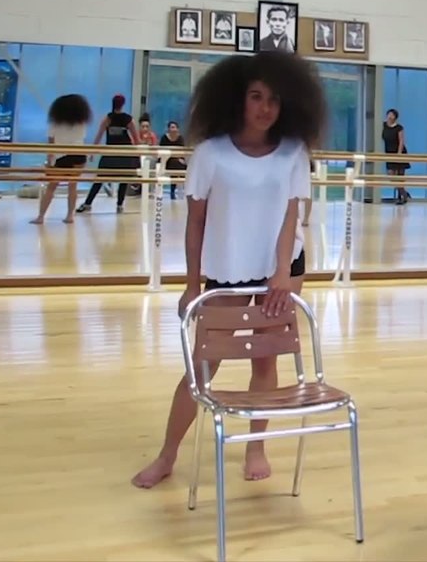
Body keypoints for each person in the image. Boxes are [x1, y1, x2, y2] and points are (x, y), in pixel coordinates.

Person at [130, 51, 325, 490]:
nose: (265, 108)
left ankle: (257, 445)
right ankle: (167, 455)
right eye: (255, 97)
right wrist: (191, 283)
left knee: (265, 357)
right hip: (227, 268)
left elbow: (292, 215)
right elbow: (196, 223)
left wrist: (280, 273)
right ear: (237, 99)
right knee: (204, 365)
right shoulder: (209, 154)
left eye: (274, 99)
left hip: (281, 266)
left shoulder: (294, 153)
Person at [30, 94, 92, 224]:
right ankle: (70, 216)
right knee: (72, 186)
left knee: (51, 187)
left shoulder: (55, 123)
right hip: (80, 155)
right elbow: (82, 139)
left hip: (62, 156)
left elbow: (51, 143)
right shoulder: (81, 123)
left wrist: (49, 161)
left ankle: (41, 216)